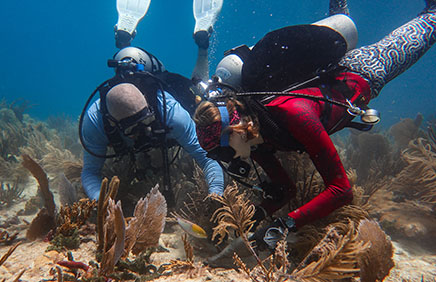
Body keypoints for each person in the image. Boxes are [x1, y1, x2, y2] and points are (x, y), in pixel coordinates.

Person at [193, 0, 436, 250]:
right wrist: (255, 217)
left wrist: (283, 226)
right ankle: (338, 12)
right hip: (330, 73)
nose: (228, 160)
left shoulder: (293, 113)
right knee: (339, 21)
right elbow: (285, 190)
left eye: (222, 152)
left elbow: (341, 189)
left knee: (430, 23)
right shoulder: (254, 142)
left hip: (363, 71)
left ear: (235, 128)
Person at [80, 0, 225, 207]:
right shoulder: (95, 121)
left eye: (146, 119)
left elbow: (207, 156)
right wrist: (103, 203)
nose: (145, 130)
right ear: (113, 123)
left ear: (149, 109)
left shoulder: (170, 111)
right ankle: (124, 42)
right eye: (134, 128)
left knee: (201, 95)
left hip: (167, 86)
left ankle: (202, 44)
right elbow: (90, 172)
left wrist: (216, 194)